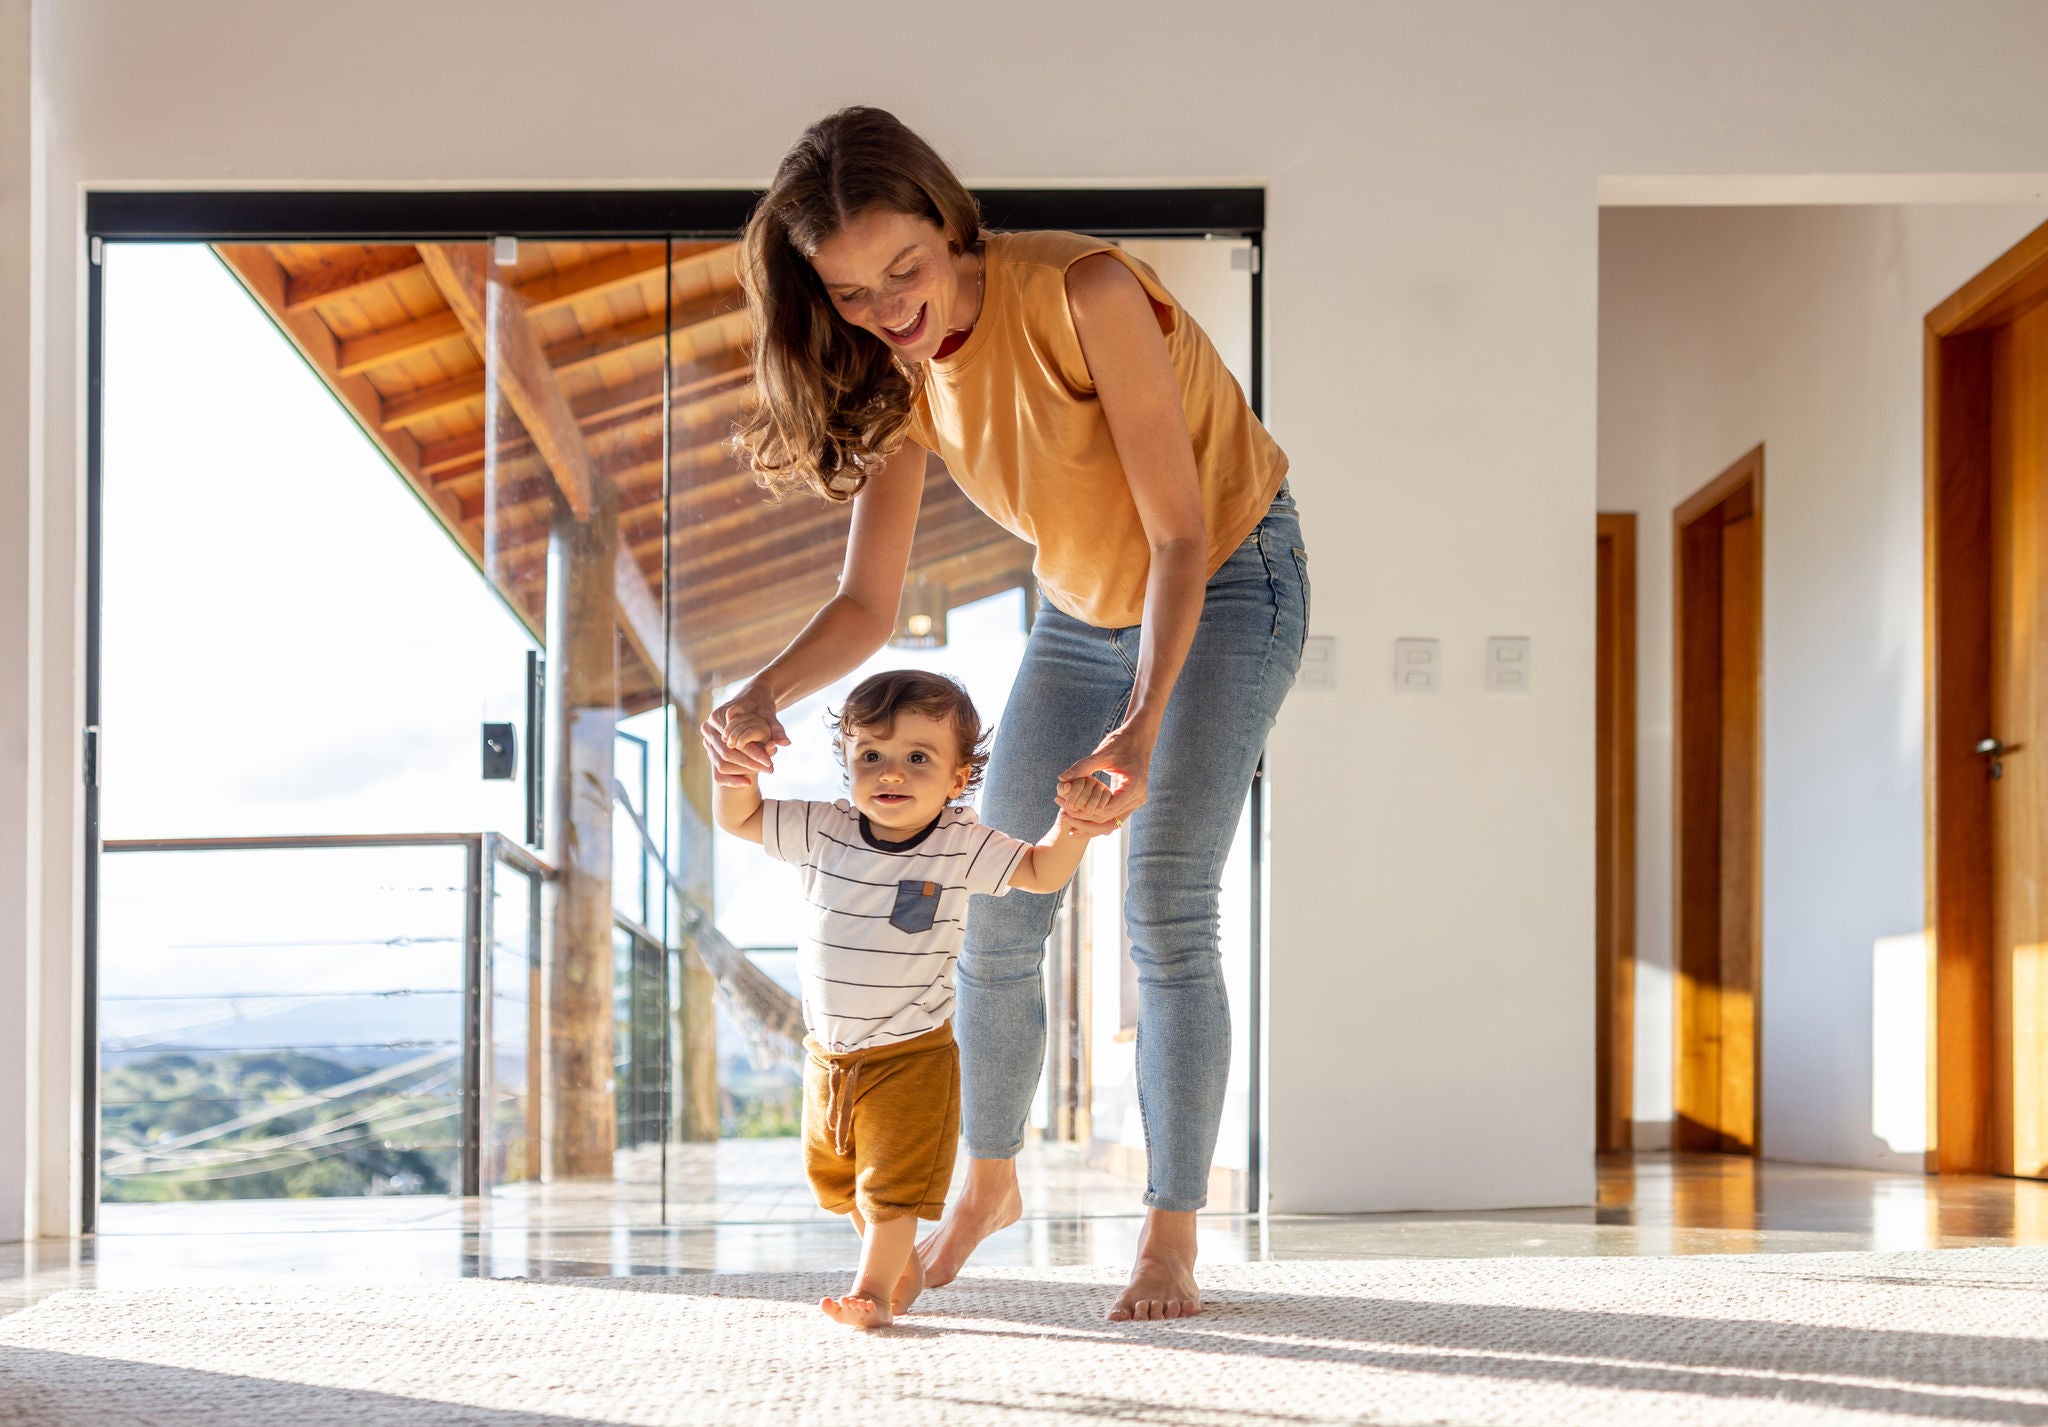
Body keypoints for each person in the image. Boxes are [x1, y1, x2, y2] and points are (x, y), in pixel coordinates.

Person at [701, 105, 1308, 1322]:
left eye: (905, 269)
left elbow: (1181, 532)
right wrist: (761, 692)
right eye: (853, 292)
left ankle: (1170, 1233)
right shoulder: (896, 373)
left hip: (1230, 577)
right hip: (1081, 614)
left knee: (1165, 906)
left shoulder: (1083, 289)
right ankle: (984, 1181)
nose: (888, 308)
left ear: (948, 218)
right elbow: (867, 601)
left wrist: (1137, 728)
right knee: (994, 902)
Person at [713, 670, 1114, 1329]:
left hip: (911, 1052)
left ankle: (870, 1289)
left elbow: (1042, 870)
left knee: (890, 1187)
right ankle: (900, 1267)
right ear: (847, 765)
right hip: (831, 1055)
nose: (890, 771)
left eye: (918, 757)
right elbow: (744, 818)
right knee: (843, 1184)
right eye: (871, 754)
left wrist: (1074, 826)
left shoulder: (960, 842)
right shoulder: (824, 829)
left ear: (958, 778)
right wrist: (736, 775)